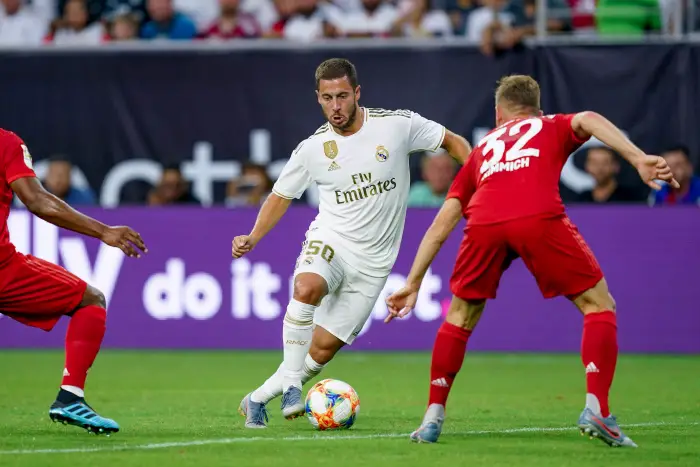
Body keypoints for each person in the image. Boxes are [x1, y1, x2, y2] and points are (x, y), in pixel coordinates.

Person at [385, 75, 679, 448]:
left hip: (485, 222)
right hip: (535, 216)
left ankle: (431, 417)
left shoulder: (482, 149)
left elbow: (444, 222)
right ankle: (597, 409)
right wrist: (637, 157)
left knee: (459, 317)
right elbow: (587, 118)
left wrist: (412, 281)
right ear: (536, 109)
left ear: (498, 113)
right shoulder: (549, 125)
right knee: (598, 305)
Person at [232, 58, 472, 428]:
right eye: (327, 98)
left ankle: (258, 399)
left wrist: (481, 179)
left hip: (374, 263)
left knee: (322, 349)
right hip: (331, 240)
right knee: (306, 286)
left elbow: (453, 142)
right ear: (318, 99)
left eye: (342, 96)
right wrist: (253, 236)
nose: (336, 106)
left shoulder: (396, 126)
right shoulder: (313, 148)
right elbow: (281, 196)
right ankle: (293, 386)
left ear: (357, 93)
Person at [0, 129, 147, 435]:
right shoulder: (6, 142)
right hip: (3, 270)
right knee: (90, 299)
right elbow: (37, 200)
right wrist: (103, 231)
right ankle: (70, 397)